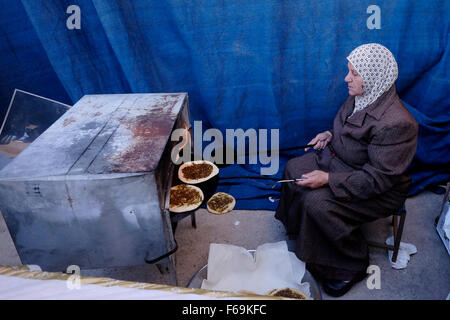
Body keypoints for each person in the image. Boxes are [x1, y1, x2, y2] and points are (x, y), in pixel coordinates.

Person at [275, 43, 419, 297]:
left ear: (373, 77)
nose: (346, 78)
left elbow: (377, 179)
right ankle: (305, 235)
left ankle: (350, 264)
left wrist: (328, 179)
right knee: (294, 167)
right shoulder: (363, 95)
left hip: (379, 188)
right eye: (348, 71)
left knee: (317, 203)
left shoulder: (397, 123)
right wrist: (329, 135)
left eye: (354, 73)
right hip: (344, 162)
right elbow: (352, 133)